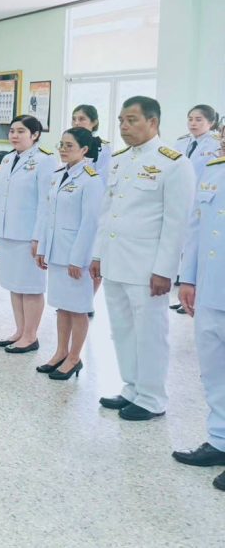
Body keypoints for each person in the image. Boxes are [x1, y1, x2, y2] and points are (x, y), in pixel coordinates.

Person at [90, 96, 195, 421]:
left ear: (153, 122)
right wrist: (98, 254)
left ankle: (152, 397)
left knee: (150, 333)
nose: (124, 126)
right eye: (121, 120)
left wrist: (165, 270)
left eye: (132, 120)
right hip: (115, 260)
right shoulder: (120, 160)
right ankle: (132, 387)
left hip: (147, 267)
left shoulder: (174, 163)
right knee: (122, 329)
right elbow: (107, 211)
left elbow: (177, 224)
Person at [174, 136, 225, 491]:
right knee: (213, 371)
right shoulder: (213, 170)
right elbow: (195, 229)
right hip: (210, 287)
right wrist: (188, 278)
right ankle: (219, 440)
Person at [33, 127, 104, 380]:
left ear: (84, 150)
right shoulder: (57, 175)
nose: (63, 150)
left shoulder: (91, 180)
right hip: (56, 251)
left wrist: (78, 259)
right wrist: (42, 248)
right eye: (61, 145)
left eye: (69, 146)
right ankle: (60, 352)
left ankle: (74, 357)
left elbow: (90, 223)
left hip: (75, 255)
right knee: (62, 307)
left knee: (78, 308)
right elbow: (47, 214)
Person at [0, 115, 55, 352]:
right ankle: (20, 331)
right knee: (14, 284)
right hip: (7, 231)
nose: (14, 135)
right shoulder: (7, 159)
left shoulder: (45, 160)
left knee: (31, 286)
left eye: (21, 131)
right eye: (12, 131)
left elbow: (46, 202)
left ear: (35, 135)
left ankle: (31, 336)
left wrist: (39, 237)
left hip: (28, 234)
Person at [170, 104, 220, 312]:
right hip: (181, 202)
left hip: (203, 202)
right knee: (184, 249)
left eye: (199, 119)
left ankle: (196, 296)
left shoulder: (216, 143)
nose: (193, 123)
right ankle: (185, 292)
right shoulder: (181, 142)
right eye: (190, 119)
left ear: (211, 122)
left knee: (198, 250)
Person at [71, 104, 112, 184]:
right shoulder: (68, 145)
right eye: (74, 119)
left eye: (81, 119)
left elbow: (102, 179)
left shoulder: (102, 147)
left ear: (94, 122)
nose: (76, 123)